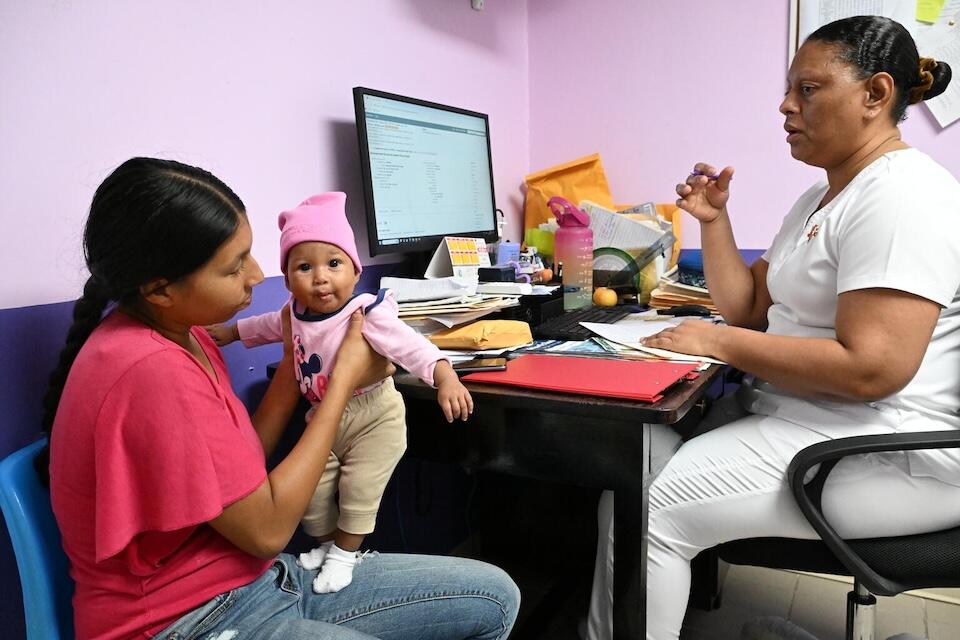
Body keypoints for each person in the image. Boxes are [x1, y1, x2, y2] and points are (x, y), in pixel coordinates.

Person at [585, 16, 960, 640]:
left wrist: (717, 342)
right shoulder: (824, 195)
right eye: (790, 89)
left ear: (876, 95)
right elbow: (752, 310)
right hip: (815, 421)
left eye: (808, 89)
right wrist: (713, 221)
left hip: (887, 449)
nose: (786, 106)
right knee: (631, 477)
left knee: (647, 510)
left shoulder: (903, 197)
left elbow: (874, 369)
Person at [42, 157, 519, 640]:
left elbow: (240, 463)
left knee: (495, 597)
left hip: (253, 580)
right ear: (159, 289)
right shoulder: (149, 370)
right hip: (183, 619)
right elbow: (268, 530)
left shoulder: (186, 333)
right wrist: (343, 380)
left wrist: (307, 353)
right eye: (234, 267)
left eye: (250, 253)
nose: (256, 275)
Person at [206, 191, 473, 594]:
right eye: (303, 267)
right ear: (288, 276)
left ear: (354, 267)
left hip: (374, 415)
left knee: (359, 492)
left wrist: (444, 375)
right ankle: (329, 544)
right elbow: (264, 326)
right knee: (310, 497)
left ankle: (346, 555)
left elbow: (410, 345)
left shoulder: (366, 313)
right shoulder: (292, 313)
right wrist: (229, 332)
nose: (320, 277)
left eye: (333, 264)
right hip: (324, 415)